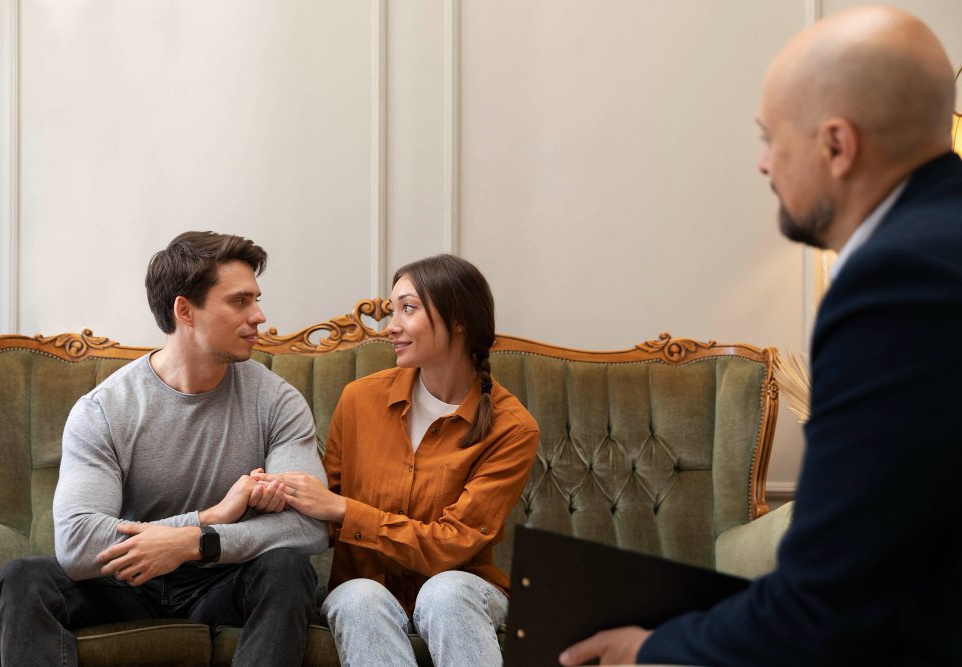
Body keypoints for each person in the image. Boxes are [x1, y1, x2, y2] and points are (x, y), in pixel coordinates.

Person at [561, 6, 962, 666]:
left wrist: (652, 651)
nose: (762, 165)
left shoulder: (896, 281)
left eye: (770, 138)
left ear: (837, 145)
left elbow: (829, 606)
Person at [0, 231, 329, 666]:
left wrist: (196, 542)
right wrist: (205, 518)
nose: (260, 316)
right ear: (185, 310)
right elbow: (76, 544)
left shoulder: (277, 401)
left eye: (256, 300)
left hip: (221, 581)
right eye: (240, 301)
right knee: (24, 578)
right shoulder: (105, 409)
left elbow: (309, 527)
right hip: (128, 580)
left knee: (287, 570)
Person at [253, 254, 540, 666]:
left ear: (459, 320)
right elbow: (323, 511)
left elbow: (453, 545)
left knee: (445, 591)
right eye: (393, 310)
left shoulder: (512, 428)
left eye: (409, 308)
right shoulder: (359, 400)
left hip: (464, 590)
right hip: (366, 587)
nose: (392, 326)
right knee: (358, 596)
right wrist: (276, 493)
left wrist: (344, 510)